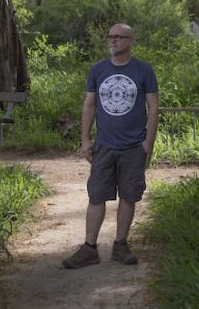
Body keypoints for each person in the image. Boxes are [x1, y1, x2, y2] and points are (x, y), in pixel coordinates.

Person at [62, 23, 159, 269]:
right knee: (96, 196)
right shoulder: (98, 70)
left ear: (130, 40)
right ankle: (89, 248)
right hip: (104, 146)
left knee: (129, 196)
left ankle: (120, 245)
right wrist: (85, 139)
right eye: (110, 37)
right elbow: (89, 106)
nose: (113, 40)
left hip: (133, 146)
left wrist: (148, 142)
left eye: (118, 37)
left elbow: (153, 108)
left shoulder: (144, 71)